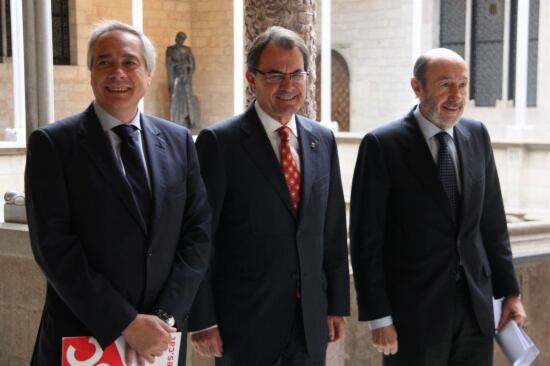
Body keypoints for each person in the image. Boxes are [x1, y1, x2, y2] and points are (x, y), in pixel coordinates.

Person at [25, 20, 211, 366]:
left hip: (160, 340)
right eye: (104, 62)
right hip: (83, 337)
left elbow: (197, 233)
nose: (117, 73)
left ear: (149, 72)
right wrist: (125, 323)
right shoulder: (54, 145)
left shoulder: (179, 141)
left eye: (129, 62)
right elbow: (54, 247)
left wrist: (164, 319)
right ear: (91, 73)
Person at [349, 48, 527, 366]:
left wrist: (510, 293)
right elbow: (366, 241)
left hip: (476, 309)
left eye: (462, 84)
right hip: (412, 315)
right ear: (417, 87)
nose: (456, 95)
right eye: (445, 84)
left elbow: (492, 224)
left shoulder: (477, 135)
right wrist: (379, 316)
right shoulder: (382, 145)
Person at [188, 26, 350, 366]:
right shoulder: (220, 143)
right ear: (252, 78)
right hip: (244, 325)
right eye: (275, 75)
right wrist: (203, 319)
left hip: (309, 323)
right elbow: (200, 239)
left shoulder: (322, 139)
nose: (288, 86)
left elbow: (332, 229)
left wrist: (335, 304)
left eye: (297, 74)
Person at [166, 31, 196, 129]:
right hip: (175, 78)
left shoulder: (187, 50)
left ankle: (189, 121)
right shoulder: (170, 49)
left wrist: (188, 75)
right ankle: (176, 121)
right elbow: (168, 64)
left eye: (182, 39)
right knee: (175, 98)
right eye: (179, 38)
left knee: (187, 99)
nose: (180, 40)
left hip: (185, 77)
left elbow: (192, 65)